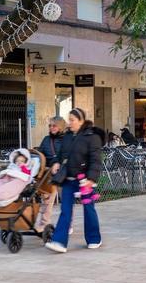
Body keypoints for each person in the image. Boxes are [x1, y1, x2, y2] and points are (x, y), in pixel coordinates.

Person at [46, 108, 103, 253]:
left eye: (72, 120)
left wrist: (91, 178)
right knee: (65, 210)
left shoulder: (92, 137)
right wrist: (56, 163)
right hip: (69, 180)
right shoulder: (67, 136)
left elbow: (96, 160)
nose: (69, 123)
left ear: (81, 121)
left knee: (88, 209)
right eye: (69, 119)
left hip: (85, 181)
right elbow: (60, 155)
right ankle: (59, 242)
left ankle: (94, 238)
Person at [36, 117, 67, 232]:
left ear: (61, 127)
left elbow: (66, 155)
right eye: (50, 125)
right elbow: (41, 154)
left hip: (63, 173)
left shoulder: (66, 139)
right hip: (49, 173)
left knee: (65, 199)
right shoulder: (46, 139)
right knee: (47, 198)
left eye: (54, 125)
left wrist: (57, 163)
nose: (51, 128)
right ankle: (44, 224)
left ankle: (68, 224)